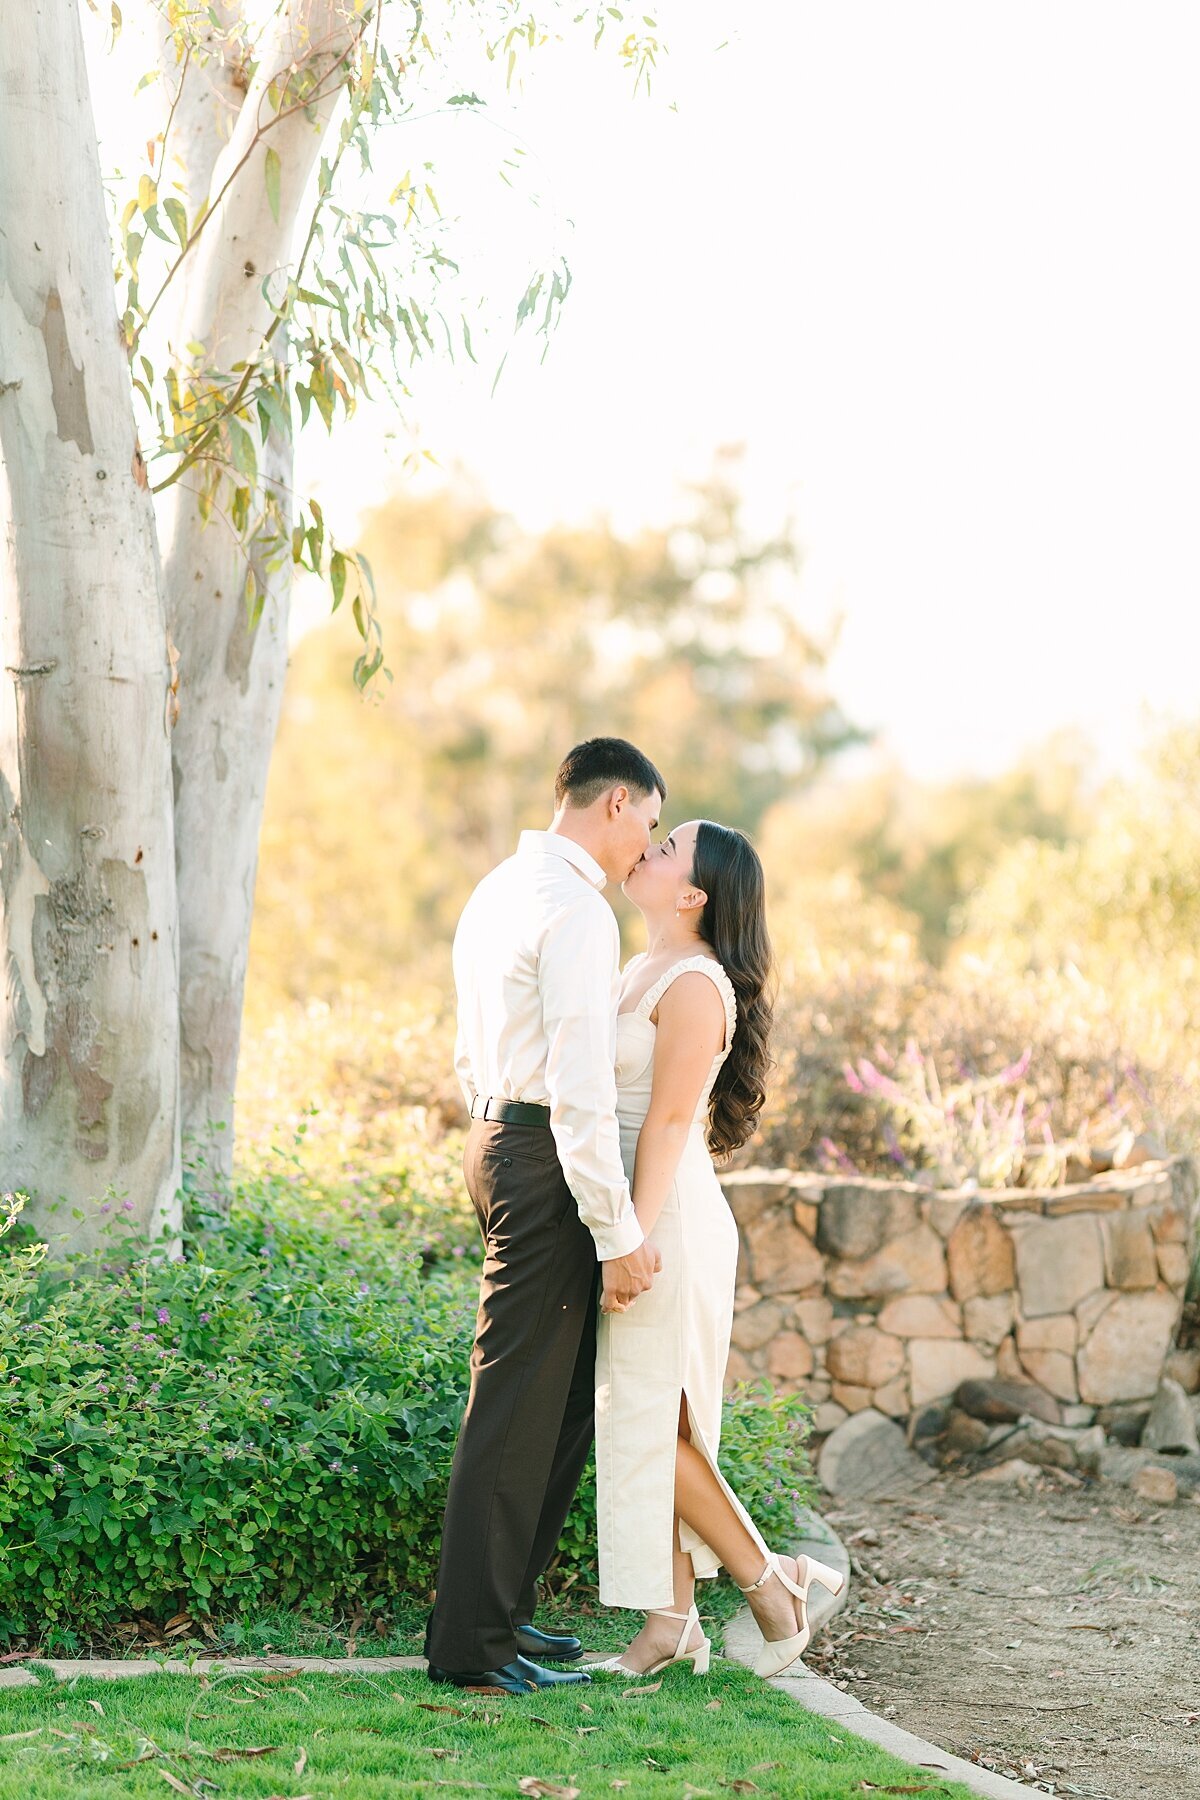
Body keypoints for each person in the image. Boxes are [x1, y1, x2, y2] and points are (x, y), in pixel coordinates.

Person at [425, 738, 667, 1696]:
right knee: (516, 1402)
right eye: (649, 823)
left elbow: (466, 1048)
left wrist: (498, 1134)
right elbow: (580, 1090)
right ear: (616, 804)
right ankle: (472, 1646)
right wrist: (618, 1232)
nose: (647, 844)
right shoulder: (576, 911)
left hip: (500, 1140)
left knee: (556, 1403)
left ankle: (505, 1611)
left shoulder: (500, 887)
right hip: (542, 1157)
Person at [593, 819, 844, 1680]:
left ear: (695, 894)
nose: (647, 849)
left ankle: (772, 1583)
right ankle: (673, 1625)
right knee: (647, 1420)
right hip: (637, 1210)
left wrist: (626, 1240)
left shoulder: (696, 983)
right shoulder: (638, 968)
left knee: (653, 1423)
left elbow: (668, 1122)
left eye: (667, 848)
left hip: (665, 1219)